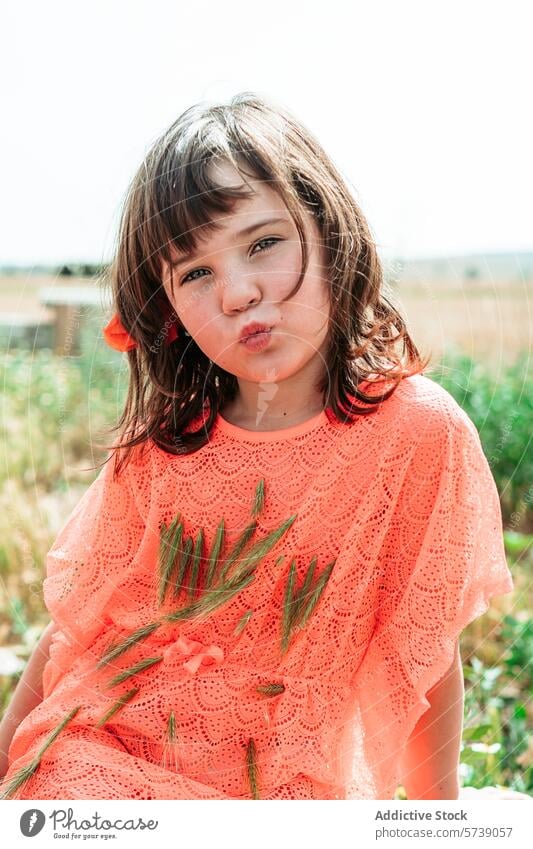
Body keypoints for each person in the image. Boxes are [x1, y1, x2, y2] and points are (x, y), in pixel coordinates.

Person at [0, 92, 514, 801]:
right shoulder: (164, 448)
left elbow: (424, 647)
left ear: (328, 233)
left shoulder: (418, 433)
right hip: (104, 756)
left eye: (263, 243)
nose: (237, 292)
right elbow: (75, 631)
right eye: (194, 273)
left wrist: (439, 818)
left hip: (281, 789)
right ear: (168, 309)